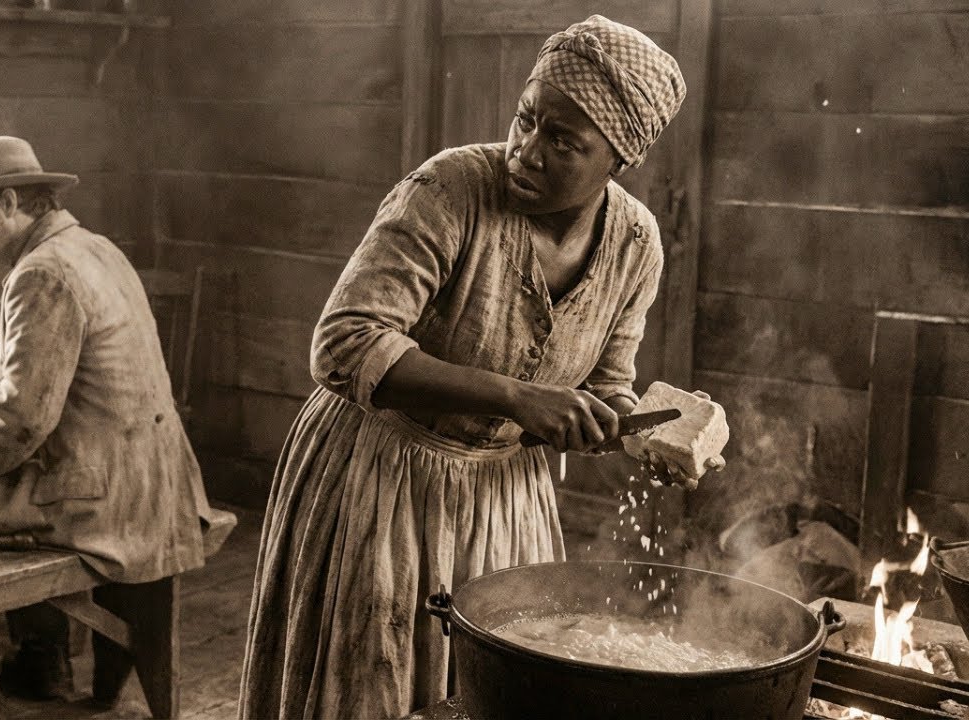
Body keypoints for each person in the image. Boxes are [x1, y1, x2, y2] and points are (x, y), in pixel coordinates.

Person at [238, 15, 720, 719]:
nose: (525, 151)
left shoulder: (635, 244)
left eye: (563, 142)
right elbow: (343, 343)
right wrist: (520, 398)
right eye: (526, 118)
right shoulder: (452, 188)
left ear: (619, 157)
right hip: (385, 476)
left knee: (488, 693)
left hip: (506, 502)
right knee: (373, 686)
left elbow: (606, 382)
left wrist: (635, 428)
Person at [0, 136, 216, 720]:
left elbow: (21, 419)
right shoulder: (93, 249)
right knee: (2, 487)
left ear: (8, 202)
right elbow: (70, 345)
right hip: (157, 486)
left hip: (101, 502)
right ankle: (41, 664)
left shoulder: (41, 273)